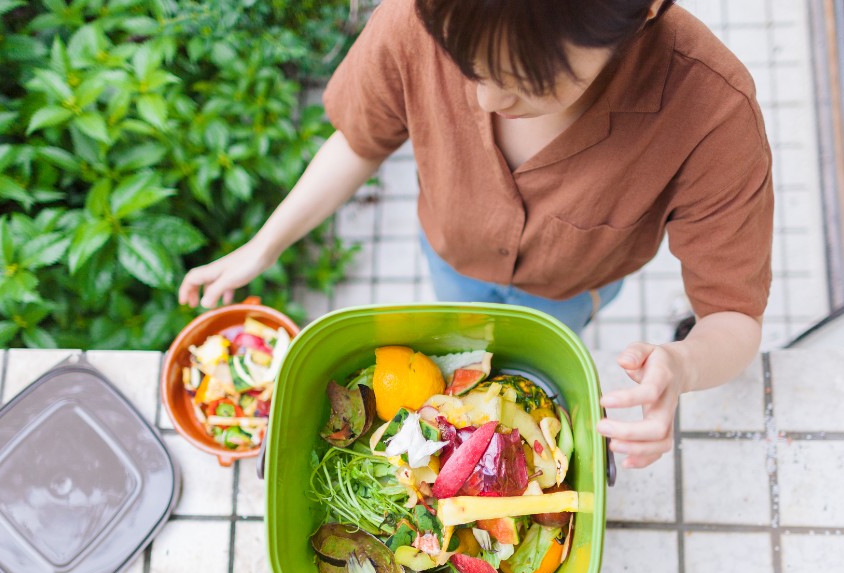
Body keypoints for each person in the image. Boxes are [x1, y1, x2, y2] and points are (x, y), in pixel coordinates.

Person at [178, 0, 773, 470]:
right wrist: (264, 244)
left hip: (568, 294)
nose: (486, 100)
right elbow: (362, 138)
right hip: (449, 256)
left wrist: (683, 364)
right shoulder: (416, 15)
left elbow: (734, 317)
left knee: (540, 349)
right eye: (465, 65)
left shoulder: (713, 112)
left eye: (529, 81)